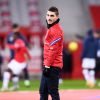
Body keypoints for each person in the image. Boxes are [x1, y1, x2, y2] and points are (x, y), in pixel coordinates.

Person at [39, 6, 64, 100]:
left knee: (53, 92)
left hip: (52, 66)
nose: (49, 17)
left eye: (52, 15)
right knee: (43, 91)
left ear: (57, 17)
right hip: (49, 64)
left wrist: (47, 66)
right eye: (48, 15)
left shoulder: (56, 30)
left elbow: (53, 50)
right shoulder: (51, 28)